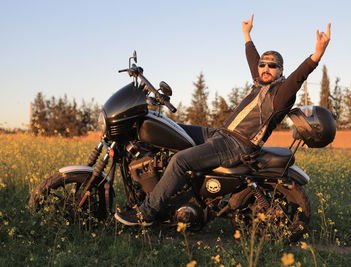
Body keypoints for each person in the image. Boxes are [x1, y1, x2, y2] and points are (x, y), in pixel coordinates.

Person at [115, 15, 331, 226]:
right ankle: (153, 190)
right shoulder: (260, 84)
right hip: (220, 134)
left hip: (237, 144)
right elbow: (253, 60)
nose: (265, 68)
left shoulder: (281, 94)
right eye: (263, 65)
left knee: (180, 161)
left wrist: (316, 55)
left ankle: (148, 212)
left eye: (272, 66)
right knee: (168, 129)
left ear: (281, 71)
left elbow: (298, 78)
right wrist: (247, 36)